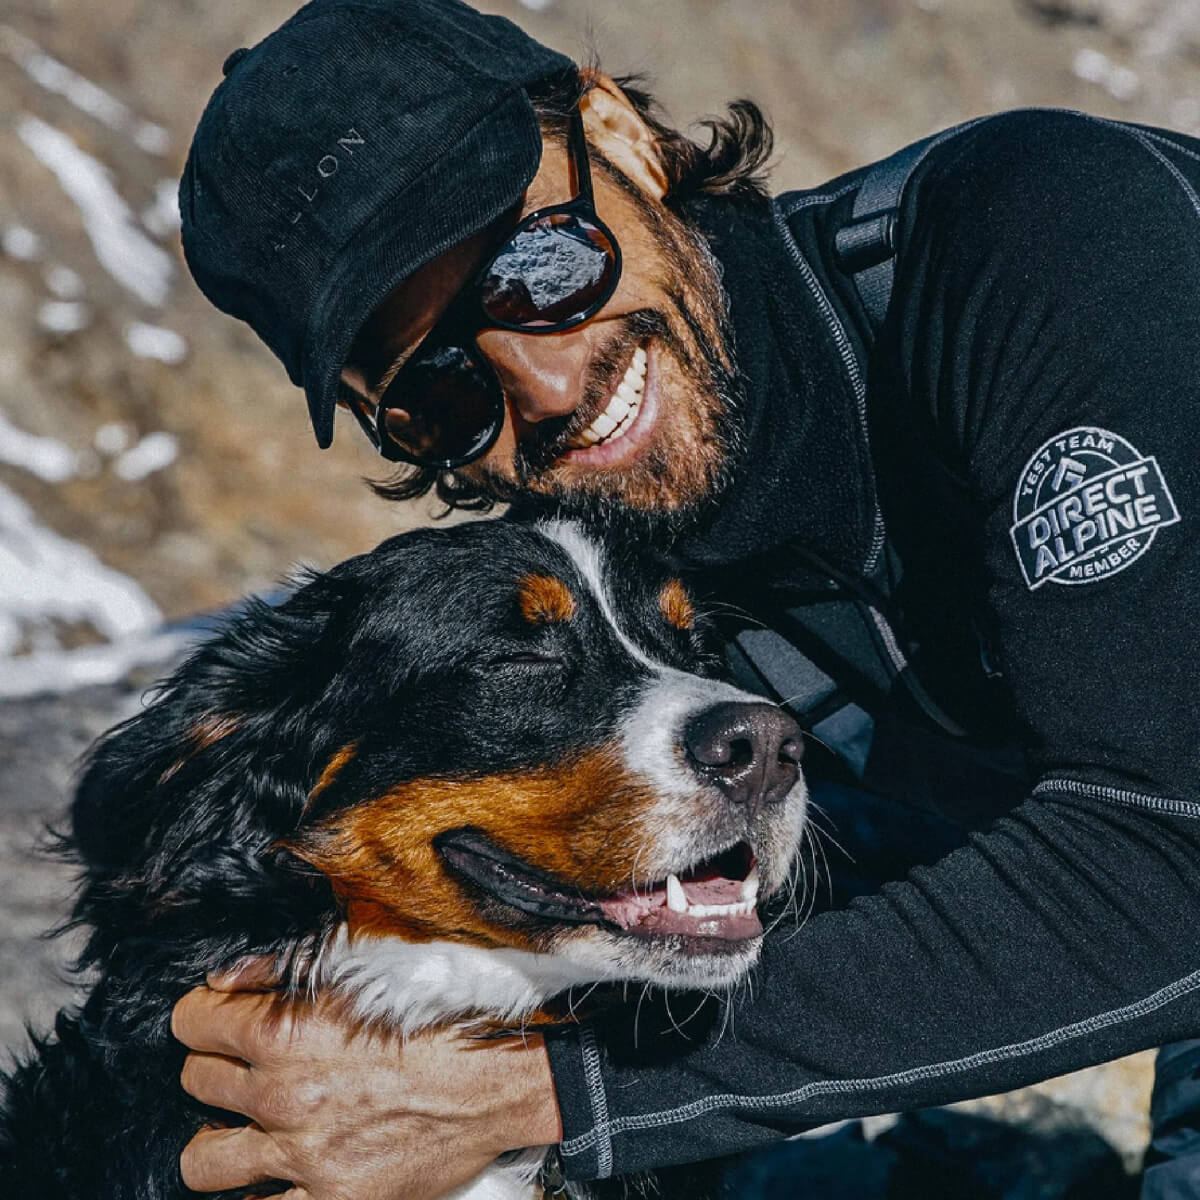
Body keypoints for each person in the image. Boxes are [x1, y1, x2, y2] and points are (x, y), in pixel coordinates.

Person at [168, 0, 1200, 1196]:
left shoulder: (1045, 234)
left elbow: (1171, 837)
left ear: (619, 136)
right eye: (441, 389)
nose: (546, 383)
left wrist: (549, 1099)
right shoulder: (611, 596)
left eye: (539, 266)